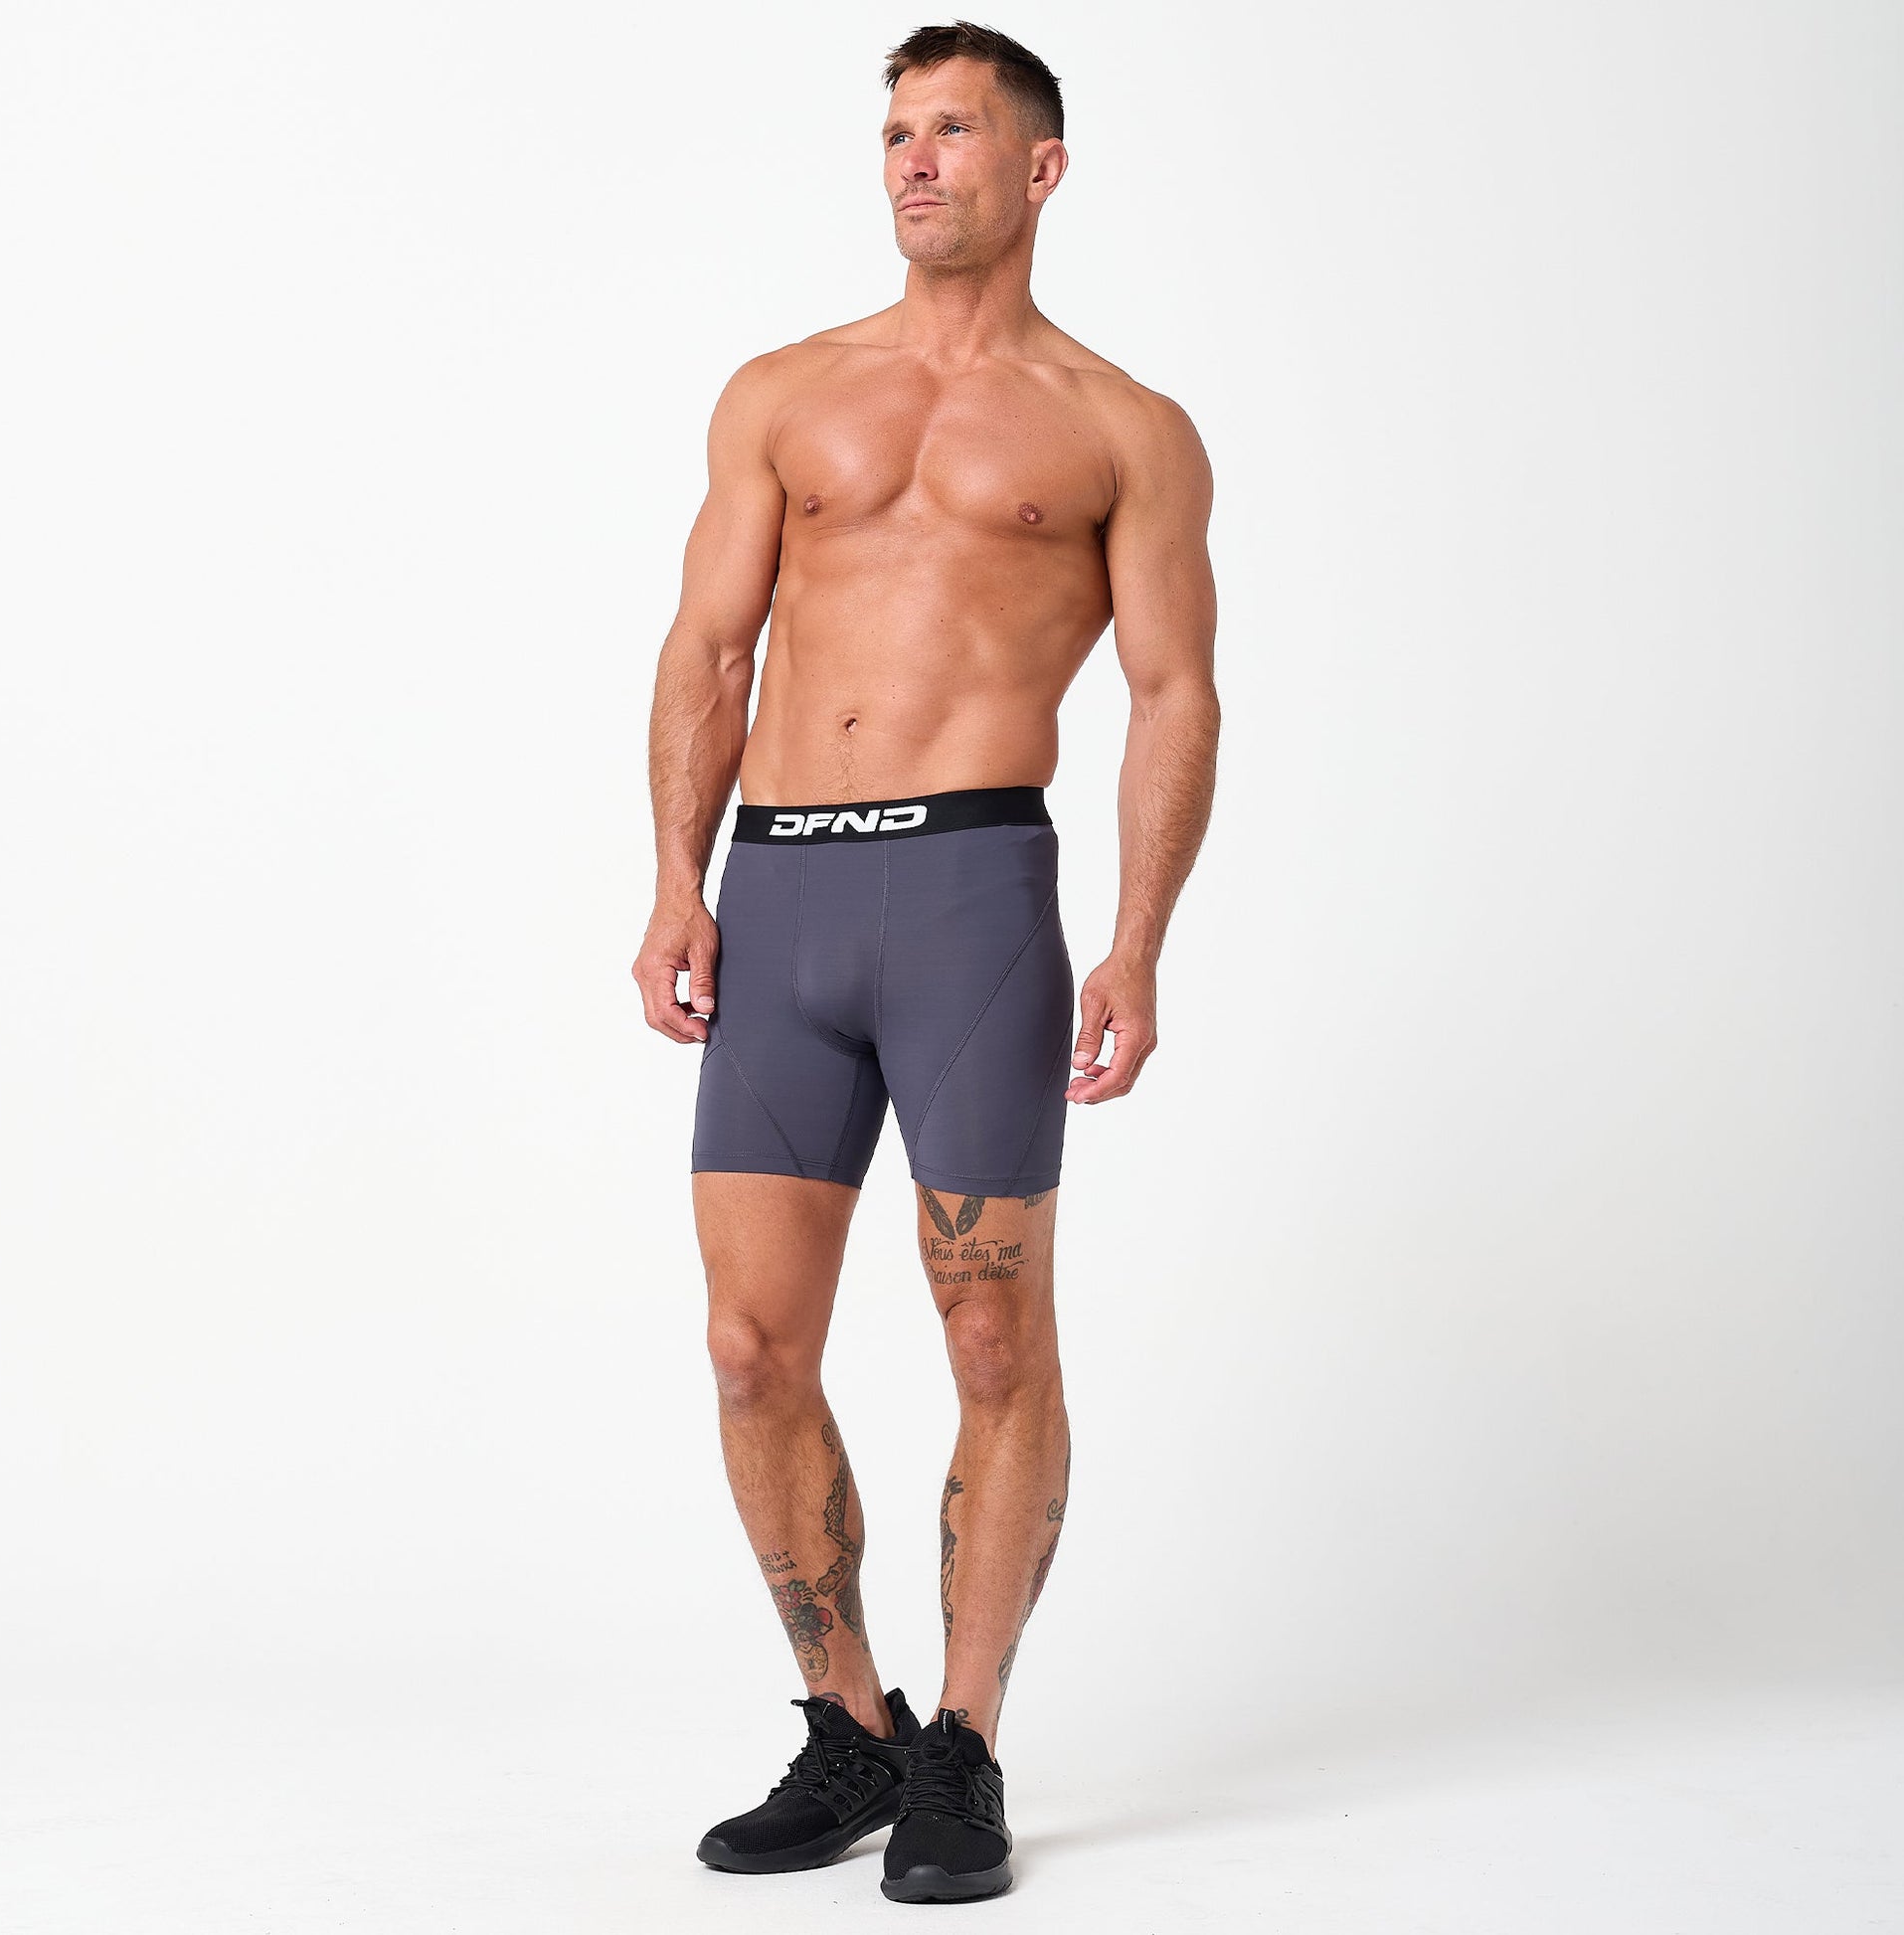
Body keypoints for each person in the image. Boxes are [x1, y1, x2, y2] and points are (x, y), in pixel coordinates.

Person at [631, 20, 1218, 1905]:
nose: (912, 158)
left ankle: (962, 1743)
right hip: (783, 891)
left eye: (954, 129)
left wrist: (1137, 939)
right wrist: (675, 878)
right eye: (896, 129)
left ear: (1038, 168)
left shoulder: (1122, 427)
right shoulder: (781, 393)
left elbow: (1172, 693)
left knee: (988, 1331)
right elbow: (708, 649)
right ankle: (850, 1728)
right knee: (749, 1348)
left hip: (971, 894)